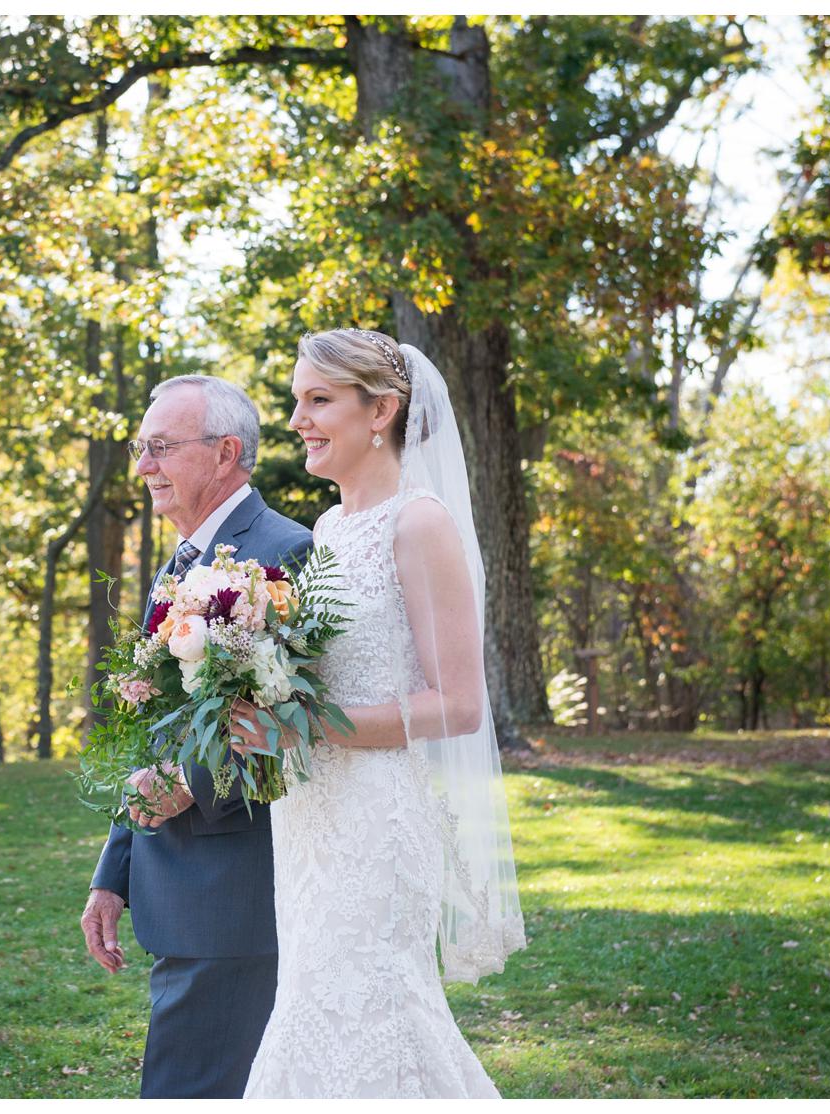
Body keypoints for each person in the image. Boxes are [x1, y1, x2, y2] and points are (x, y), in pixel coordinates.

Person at [236, 328, 526, 1097]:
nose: (298, 418)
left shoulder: (420, 523)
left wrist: (301, 722)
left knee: (373, 1012)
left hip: (377, 823)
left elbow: (458, 705)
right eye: (298, 399)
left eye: (318, 400)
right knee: (313, 1007)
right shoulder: (329, 529)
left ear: (382, 411)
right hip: (308, 814)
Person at [80, 375, 313, 1099]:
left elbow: (297, 727)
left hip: (236, 889)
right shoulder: (176, 566)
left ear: (225, 454)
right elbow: (156, 735)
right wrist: (112, 874)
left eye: (159, 448)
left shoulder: (288, 555)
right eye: (139, 448)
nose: (143, 465)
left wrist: (190, 787)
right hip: (174, 885)